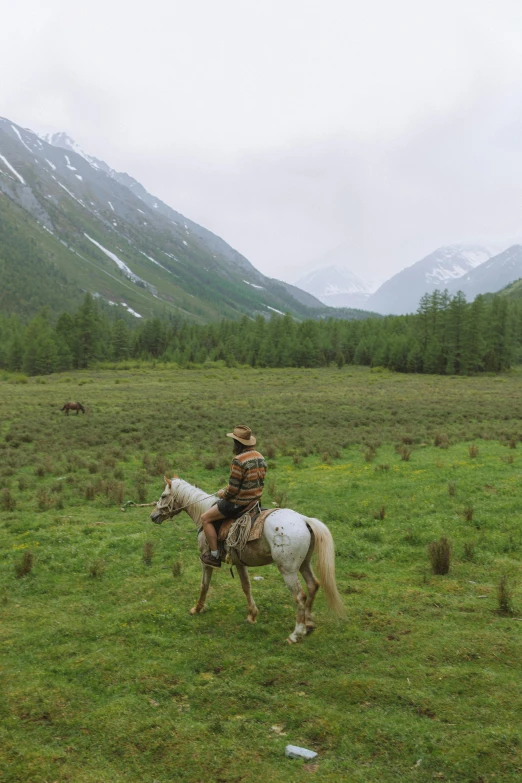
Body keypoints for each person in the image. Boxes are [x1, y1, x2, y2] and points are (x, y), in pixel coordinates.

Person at [200, 425, 267, 568]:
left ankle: (214, 555)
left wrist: (221, 493)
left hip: (238, 503)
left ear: (238, 443)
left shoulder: (238, 460)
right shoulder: (260, 457)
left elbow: (232, 490)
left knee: (205, 518)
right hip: (255, 502)